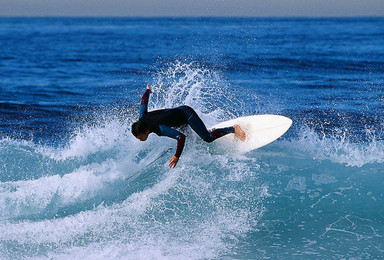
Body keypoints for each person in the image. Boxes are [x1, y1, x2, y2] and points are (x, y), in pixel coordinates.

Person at [131, 85, 246, 168]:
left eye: (140, 137)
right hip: (178, 118)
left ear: (146, 130)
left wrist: (177, 156)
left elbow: (181, 137)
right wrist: (148, 91)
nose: (141, 140)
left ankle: (233, 128)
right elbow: (143, 101)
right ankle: (206, 130)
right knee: (194, 138)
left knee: (208, 138)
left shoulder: (159, 129)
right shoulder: (142, 118)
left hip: (187, 115)